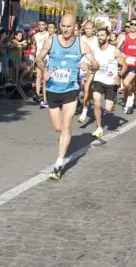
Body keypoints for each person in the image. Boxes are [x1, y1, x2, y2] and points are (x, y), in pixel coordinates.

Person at [36, 14, 99, 181]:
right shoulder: (52, 41)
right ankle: (62, 143)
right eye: (63, 26)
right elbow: (39, 59)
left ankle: (58, 163)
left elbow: (96, 64)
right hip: (52, 90)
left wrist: (88, 65)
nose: (65, 29)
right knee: (57, 127)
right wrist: (44, 71)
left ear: (75, 27)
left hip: (71, 90)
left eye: (68, 26)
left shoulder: (81, 44)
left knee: (66, 127)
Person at [91, 28, 127, 138]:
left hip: (111, 82)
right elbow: (91, 65)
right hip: (98, 80)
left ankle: (113, 100)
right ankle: (99, 128)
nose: (100, 37)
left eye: (102, 35)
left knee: (108, 109)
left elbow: (124, 65)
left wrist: (119, 76)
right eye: (98, 35)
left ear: (107, 37)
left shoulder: (114, 50)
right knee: (96, 104)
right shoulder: (95, 50)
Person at [117, 18, 136, 114]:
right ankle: (131, 96)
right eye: (132, 24)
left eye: (135, 25)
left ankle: (130, 98)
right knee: (128, 85)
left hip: (135, 64)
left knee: (126, 82)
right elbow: (116, 49)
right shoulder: (124, 37)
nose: (133, 26)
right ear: (129, 25)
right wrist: (121, 53)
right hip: (125, 64)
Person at [77, 20, 99, 122]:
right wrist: (80, 64)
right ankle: (87, 102)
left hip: (92, 68)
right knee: (85, 88)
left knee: (86, 88)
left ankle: (84, 112)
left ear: (93, 29)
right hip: (81, 67)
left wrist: (93, 64)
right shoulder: (80, 39)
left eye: (90, 28)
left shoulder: (97, 40)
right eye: (86, 28)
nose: (88, 30)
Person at [33, 20, 49, 103]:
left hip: (46, 57)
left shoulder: (48, 34)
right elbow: (33, 45)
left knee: (45, 77)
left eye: (43, 25)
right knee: (38, 75)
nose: (41, 26)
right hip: (38, 57)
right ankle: (37, 94)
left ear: (45, 26)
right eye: (39, 25)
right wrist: (33, 51)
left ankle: (46, 95)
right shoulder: (36, 35)